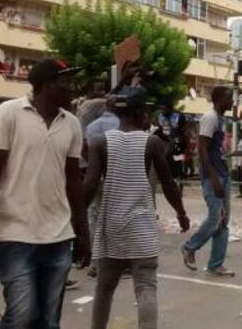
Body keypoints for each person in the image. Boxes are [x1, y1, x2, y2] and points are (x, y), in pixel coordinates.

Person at [0, 58, 90, 328]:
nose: (72, 88)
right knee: (21, 316)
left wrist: (83, 233)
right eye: (66, 82)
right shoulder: (9, 113)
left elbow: (73, 182)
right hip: (15, 234)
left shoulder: (72, 123)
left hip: (59, 236)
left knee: (49, 320)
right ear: (47, 85)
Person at [85, 86, 189, 329]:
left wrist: (77, 224)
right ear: (140, 113)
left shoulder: (100, 143)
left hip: (111, 229)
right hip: (142, 231)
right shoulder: (152, 143)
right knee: (146, 288)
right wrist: (181, 213)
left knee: (104, 288)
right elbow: (168, 184)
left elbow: (89, 187)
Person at [181, 86, 236, 277]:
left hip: (223, 174)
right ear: (219, 99)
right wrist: (213, 179)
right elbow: (202, 149)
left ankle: (215, 264)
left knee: (223, 222)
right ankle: (189, 247)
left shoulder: (221, 119)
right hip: (214, 176)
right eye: (229, 98)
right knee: (215, 219)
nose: (232, 101)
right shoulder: (210, 118)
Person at [83, 96, 120, 278]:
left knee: (94, 217)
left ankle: (95, 262)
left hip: (95, 177)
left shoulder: (92, 127)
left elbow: (84, 150)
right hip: (116, 178)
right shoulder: (122, 126)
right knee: (115, 219)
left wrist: (93, 165)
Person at [155, 100, 187, 189]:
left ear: (170, 108)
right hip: (164, 147)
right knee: (166, 168)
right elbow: (157, 131)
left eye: (164, 108)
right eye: (161, 108)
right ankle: (168, 186)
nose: (163, 111)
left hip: (178, 148)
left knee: (178, 167)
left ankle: (178, 186)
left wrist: (181, 145)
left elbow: (184, 133)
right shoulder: (159, 116)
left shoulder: (179, 116)